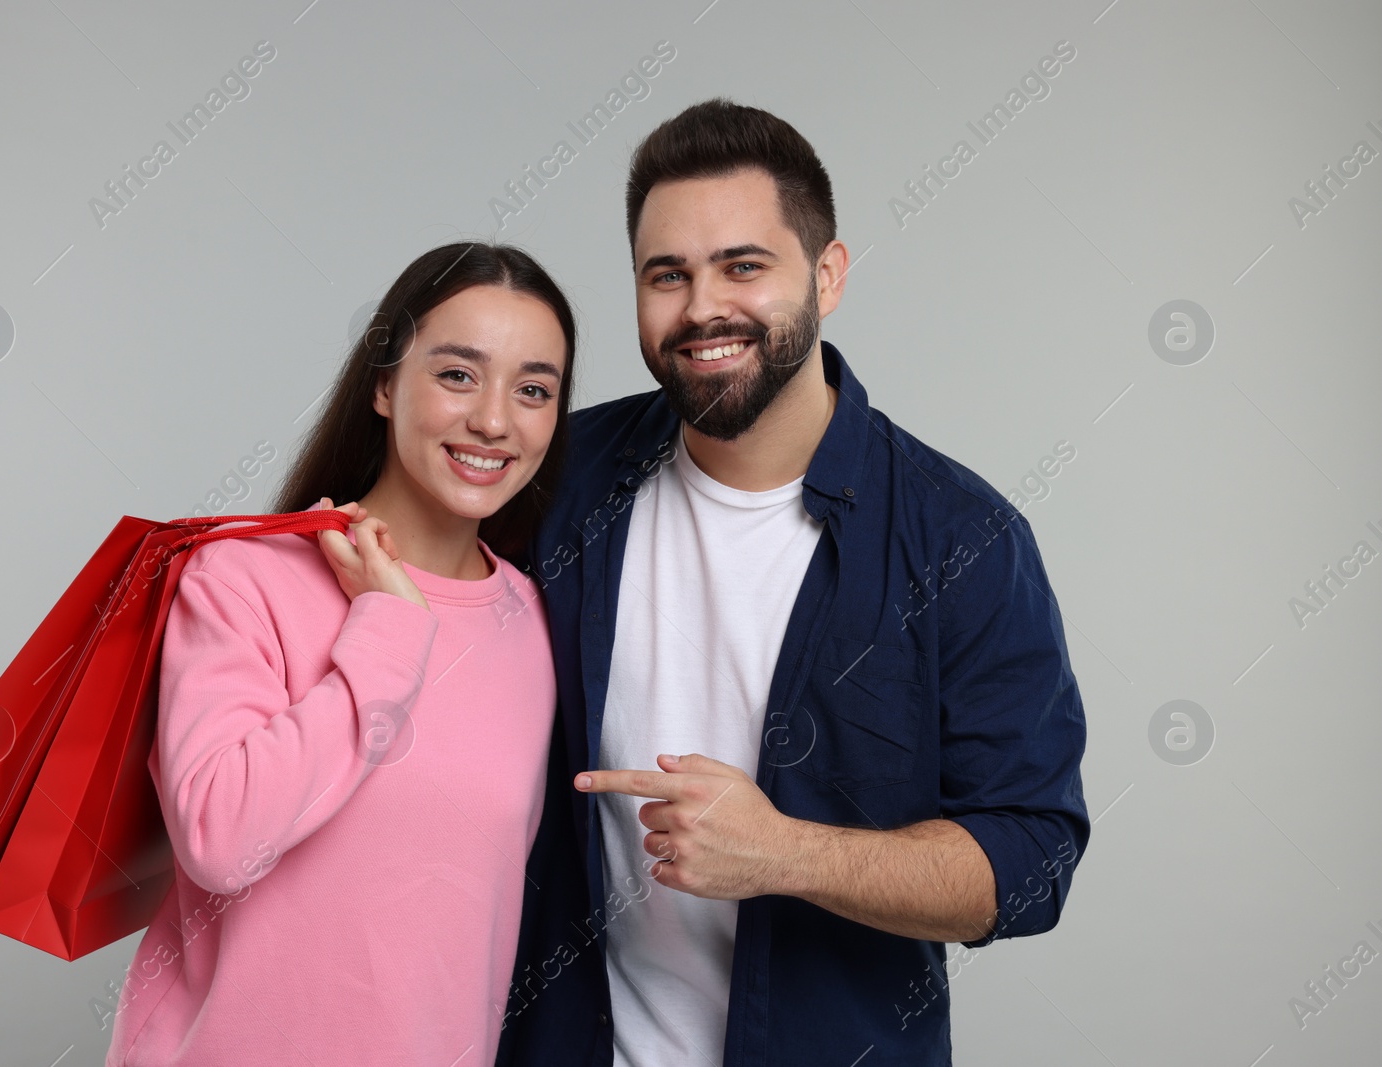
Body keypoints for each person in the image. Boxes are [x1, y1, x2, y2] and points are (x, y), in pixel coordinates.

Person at [494, 100, 1090, 1066]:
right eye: (666, 275)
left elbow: (1032, 862)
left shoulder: (965, 541)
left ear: (827, 275)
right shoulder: (558, 477)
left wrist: (782, 852)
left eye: (742, 266)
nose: (700, 309)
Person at [105, 242, 578, 1067]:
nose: (495, 420)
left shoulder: (536, 624)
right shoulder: (242, 577)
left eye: (533, 389)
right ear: (385, 385)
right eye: (458, 374)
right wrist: (389, 629)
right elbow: (221, 838)